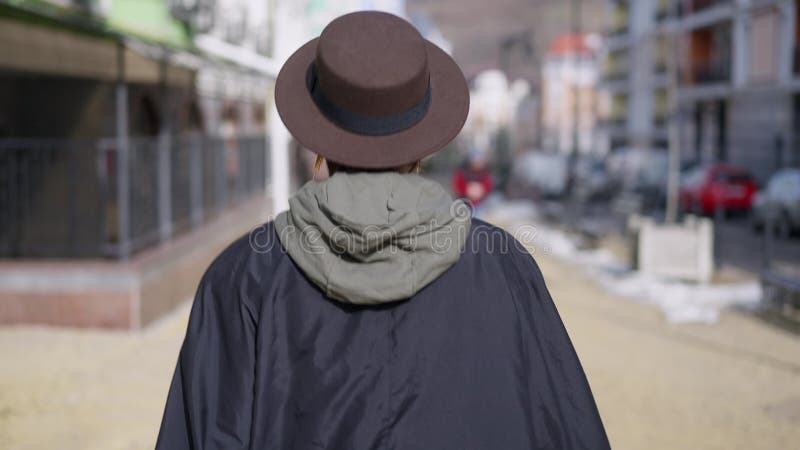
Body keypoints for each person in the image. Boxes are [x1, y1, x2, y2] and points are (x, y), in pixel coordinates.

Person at [156, 11, 609, 450]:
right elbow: (564, 424)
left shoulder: (242, 278)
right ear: (421, 141)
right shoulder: (504, 267)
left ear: (319, 142)